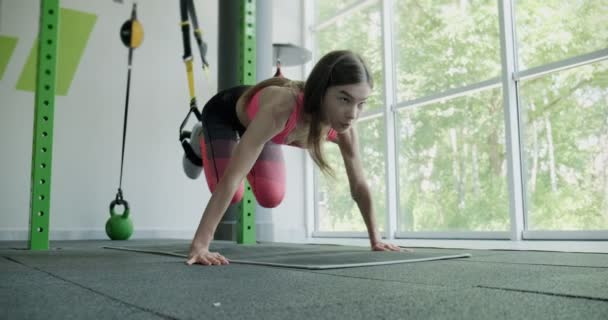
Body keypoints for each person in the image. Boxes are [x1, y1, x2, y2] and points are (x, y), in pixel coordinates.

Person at [187, 50, 404, 266]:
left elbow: (359, 184)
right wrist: (201, 245)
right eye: (344, 99)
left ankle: (233, 141)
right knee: (233, 192)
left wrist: (376, 239)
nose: (352, 114)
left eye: (361, 103)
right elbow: (233, 176)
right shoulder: (281, 110)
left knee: (271, 197)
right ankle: (199, 138)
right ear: (321, 91)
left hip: (261, 132)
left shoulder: (345, 128)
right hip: (224, 114)